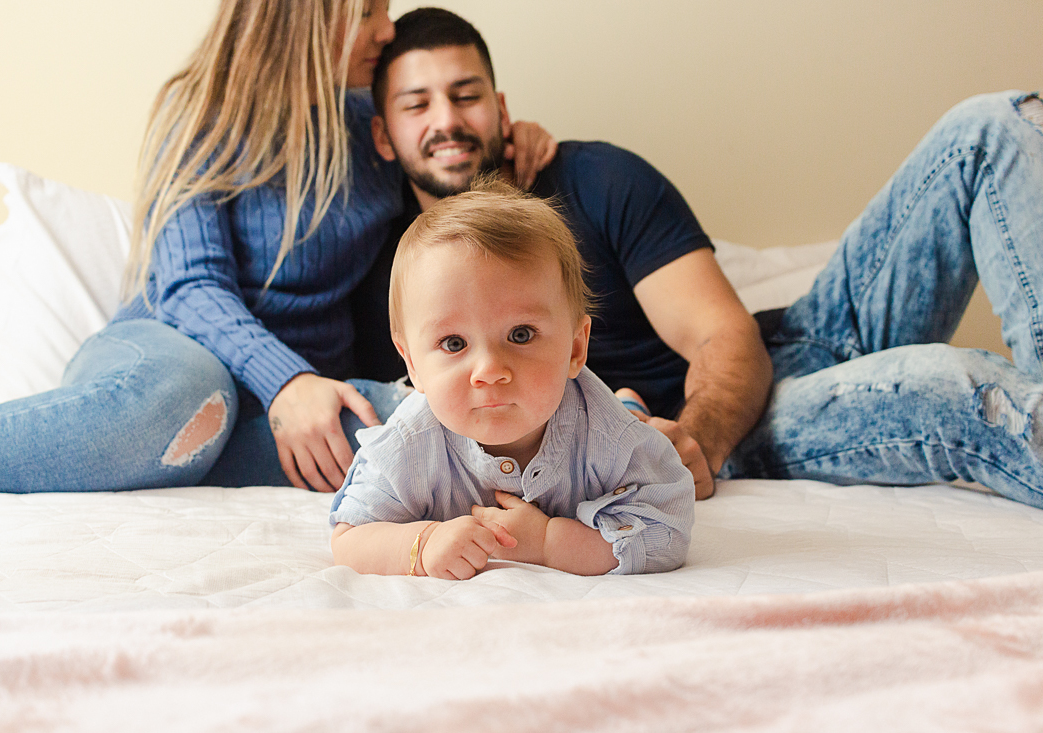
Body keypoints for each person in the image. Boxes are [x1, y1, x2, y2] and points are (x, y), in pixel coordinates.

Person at [358, 7, 1043, 509]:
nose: (446, 119)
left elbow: (725, 333)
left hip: (763, 372)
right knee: (962, 388)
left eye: (466, 94)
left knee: (991, 126)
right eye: (417, 104)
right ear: (384, 137)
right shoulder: (393, 272)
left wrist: (696, 441)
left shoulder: (598, 179)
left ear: (501, 108)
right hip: (752, 423)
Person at [0, 0, 555, 494]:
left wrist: (510, 136)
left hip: (294, 400)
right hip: (171, 352)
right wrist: (286, 381)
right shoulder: (207, 112)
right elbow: (188, 287)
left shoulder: (372, 122)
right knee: (184, 402)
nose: (385, 28)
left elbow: (439, 150)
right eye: (367, 10)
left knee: (432, 421)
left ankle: (184, 449)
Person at [330, 180, 694, 579]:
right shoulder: (409, 443)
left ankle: (628, 405)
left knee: (627, 422)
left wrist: (550, 543)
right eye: (453, 343)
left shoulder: (612, 440)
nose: (488, 370)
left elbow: (668, 528)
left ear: (575, 349)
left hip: (600, 414)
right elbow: (350, 538)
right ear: (413, 364)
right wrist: (423, 544)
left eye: (520, 334)